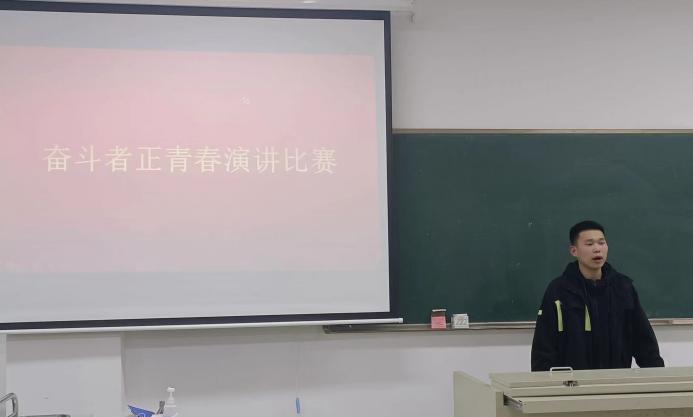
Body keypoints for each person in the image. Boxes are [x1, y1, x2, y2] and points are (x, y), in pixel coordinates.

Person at [531, 220, 664, 371]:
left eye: (601, 243)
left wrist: (657, 376)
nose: (597, 249)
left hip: (615, 379)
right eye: (589, 244)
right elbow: (543, 347)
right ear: (574, 251)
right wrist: (543, 381)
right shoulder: (559, 291)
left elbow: (644, 342)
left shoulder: (623, 288)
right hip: (572, 382)